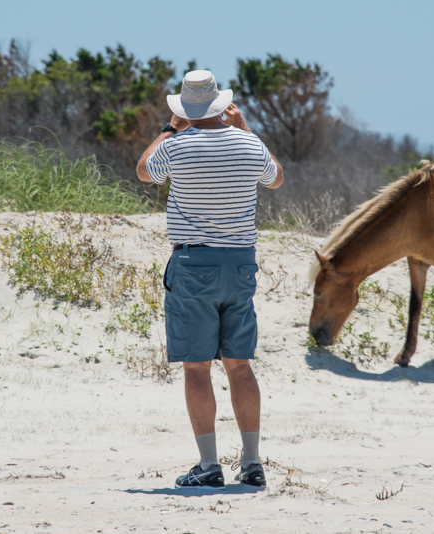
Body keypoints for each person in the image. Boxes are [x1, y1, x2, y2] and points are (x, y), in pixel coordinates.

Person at [136, 70, 283, 488]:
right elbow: (276, 177)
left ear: (184, 108)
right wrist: (245, 128)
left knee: (197, 367)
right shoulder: (248, 142)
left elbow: (145, 170)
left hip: (193, 264)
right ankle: (252, 463)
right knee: (240, 365)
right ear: (222, 104)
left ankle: (208, 465)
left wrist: (169, 128)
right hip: (240, 264)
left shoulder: (178, 146)